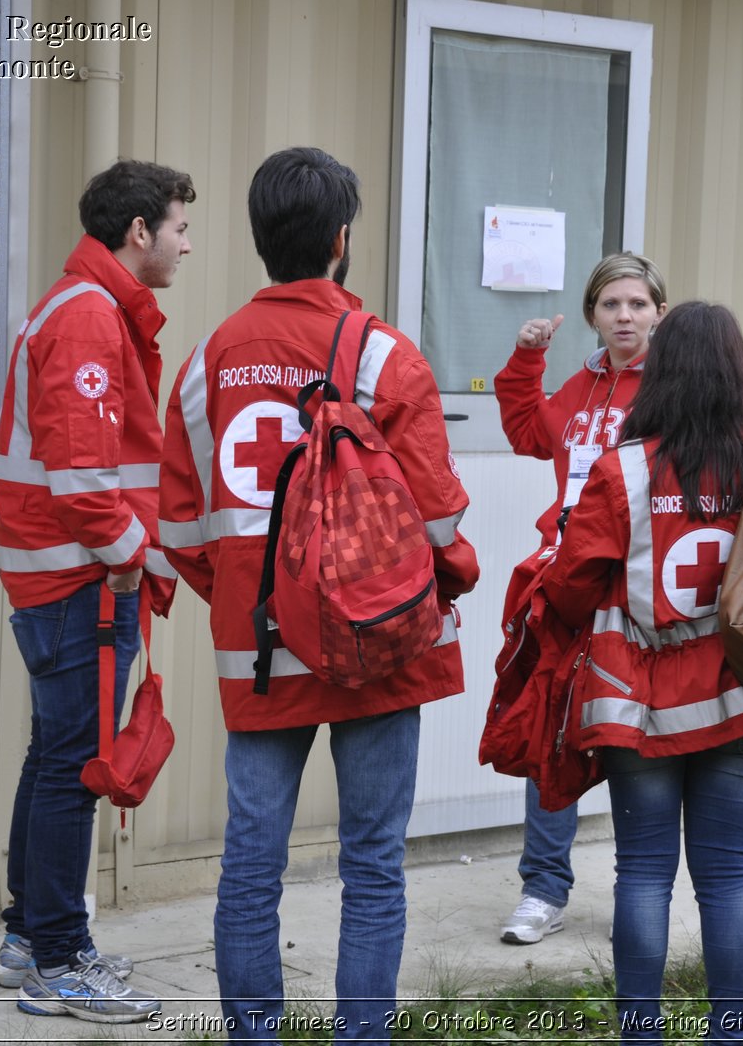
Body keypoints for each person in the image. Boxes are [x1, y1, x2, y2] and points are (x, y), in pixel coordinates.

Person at [158, 146, 479, 1044]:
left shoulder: (204, 363)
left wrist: (249, 594)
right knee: (373, 865)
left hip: (258, 654)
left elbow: (179, 524)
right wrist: (448, 582)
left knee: (250, 868)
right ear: (342, 240)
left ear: (261, 241)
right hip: (378, 648)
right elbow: (439, 523)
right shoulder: (385, 358)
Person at [542, 301, 743, 1043]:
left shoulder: (622, 471)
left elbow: (570, 587)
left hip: (643, 706)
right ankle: (731, 1034)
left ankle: (642, 1035)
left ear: (658, 375)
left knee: (642, 875)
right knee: (727, 875)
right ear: (737, 372)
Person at [0, 159, 194, 1022]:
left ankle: (30, 939)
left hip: (63, 578)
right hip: (79, 579)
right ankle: (62, 965)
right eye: (180, 226)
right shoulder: (88, 318)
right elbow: (83, 480)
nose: (187, 244)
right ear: (138, 230)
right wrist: (135, 556)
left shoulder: (87, 307)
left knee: (53, 757)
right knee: (77, 766)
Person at [492, 252, 668, 944]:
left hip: (631, 587)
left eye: (638, 304)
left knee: (626, 736)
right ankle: (543, 889)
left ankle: (639, 892)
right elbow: (530, 434)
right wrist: (526, 360)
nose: (625, 317)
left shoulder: (671, 388)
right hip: (565, 580)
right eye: (611, 305)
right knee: (549, 727)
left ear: (659, 310)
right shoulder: (585, 380)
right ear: (593, 315)